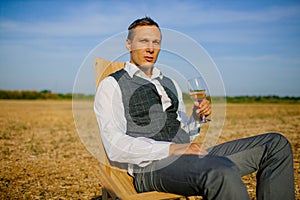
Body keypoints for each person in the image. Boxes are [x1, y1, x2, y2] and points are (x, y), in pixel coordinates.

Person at [94, 17, 295, 200]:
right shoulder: (112, 85)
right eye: (143, 41)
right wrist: (172, 149)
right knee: (220, 170)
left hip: (188, 160)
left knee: (275, 145)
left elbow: (184, 135)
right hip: (151, 168)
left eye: (156, 42)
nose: (150, 48)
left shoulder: (170, 83)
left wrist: (196, 118)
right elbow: (115, 145)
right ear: (129, 44)